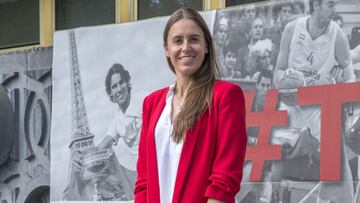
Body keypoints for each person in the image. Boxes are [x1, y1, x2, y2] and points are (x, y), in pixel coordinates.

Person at [134, 7, 247, 203]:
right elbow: (143, 181)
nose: (186, 47)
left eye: (194, 39)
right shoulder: (152, 104)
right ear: (167, 50)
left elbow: (224, 179)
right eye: (178, 41)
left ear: (206, 46)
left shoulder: (226, 96)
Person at [273, 0, 355, 202]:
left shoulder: (338, 37)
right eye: (330, 5)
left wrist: (339, 80)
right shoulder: (292, 29)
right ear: (316, 5)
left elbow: (350, 78)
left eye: (335, 4)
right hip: (293, 101)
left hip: (320, 105)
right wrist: (286, 81)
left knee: (336, 155)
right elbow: (277, 73)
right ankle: (271, 196)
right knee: (271, 150)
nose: (334, 10)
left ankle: (327, 200)